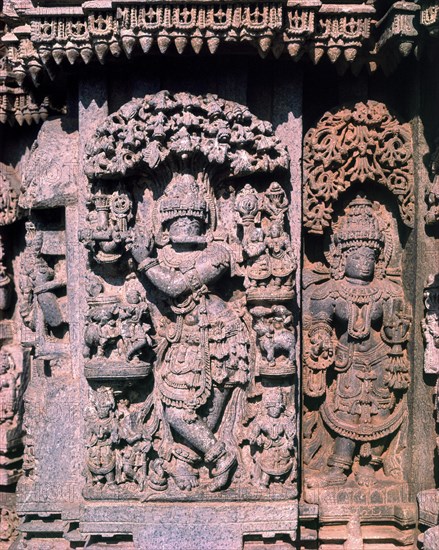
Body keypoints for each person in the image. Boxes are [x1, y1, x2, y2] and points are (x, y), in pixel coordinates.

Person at [132, 174, 249, 492]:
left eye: (192, 218)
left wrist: (144, 261)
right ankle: (185, 468)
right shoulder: (166, 257)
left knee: (186, 415)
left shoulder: (216, 255)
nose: (185, 225)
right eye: (177, 218)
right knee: (184, 416)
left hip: (218, 339)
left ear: (205, 219)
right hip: (182, 339)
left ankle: (220, 456)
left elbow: (177, 287)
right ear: (165, 221)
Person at [305, 196, 410, 487]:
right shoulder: (331, 290)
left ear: (379, 259)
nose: (365, 264)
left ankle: (370, 465)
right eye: (358, 257)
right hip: (345, 360)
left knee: (380, 412)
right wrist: (321, 340)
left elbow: (396, 325)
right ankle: (338, 469)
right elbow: (319, 323)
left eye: (370, 257)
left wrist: (397, 334)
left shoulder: (386, 291)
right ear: (342, 258)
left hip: (379, 361)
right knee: (345, 412)